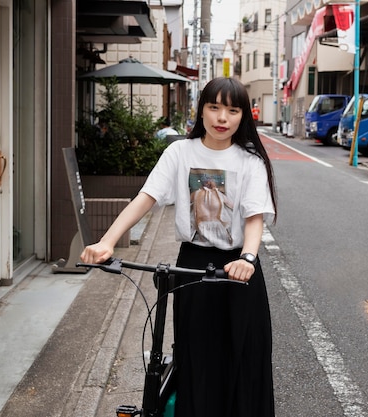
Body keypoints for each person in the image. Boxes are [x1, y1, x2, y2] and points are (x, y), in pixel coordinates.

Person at [80, 77, 277, 417]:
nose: (222, 117)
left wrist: (248, 257)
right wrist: (106, 241)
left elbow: (254, 217)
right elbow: (146, 198)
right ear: (200, 110)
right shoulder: (180, 152)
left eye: (232, 110)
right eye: (214, 107)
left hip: (238, 269)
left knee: (243, 358)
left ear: (243, 117)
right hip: (194, 262)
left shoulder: (250, 161)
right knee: (195, 356)